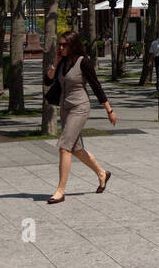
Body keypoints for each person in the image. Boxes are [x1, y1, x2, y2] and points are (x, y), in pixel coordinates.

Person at [44, 32, 116, 203]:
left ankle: (60, 191)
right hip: (65, 108)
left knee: (64, 147)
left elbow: (96, 86)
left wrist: (109, 110)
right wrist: (55, 61)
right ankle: (102, 173)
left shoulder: (83, 61)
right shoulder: (61, 62)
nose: (61, 48)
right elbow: (47, 82)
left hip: (80, 107)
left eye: (64, 45)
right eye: (59, 45)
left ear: (73, 45)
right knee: (75, 149)